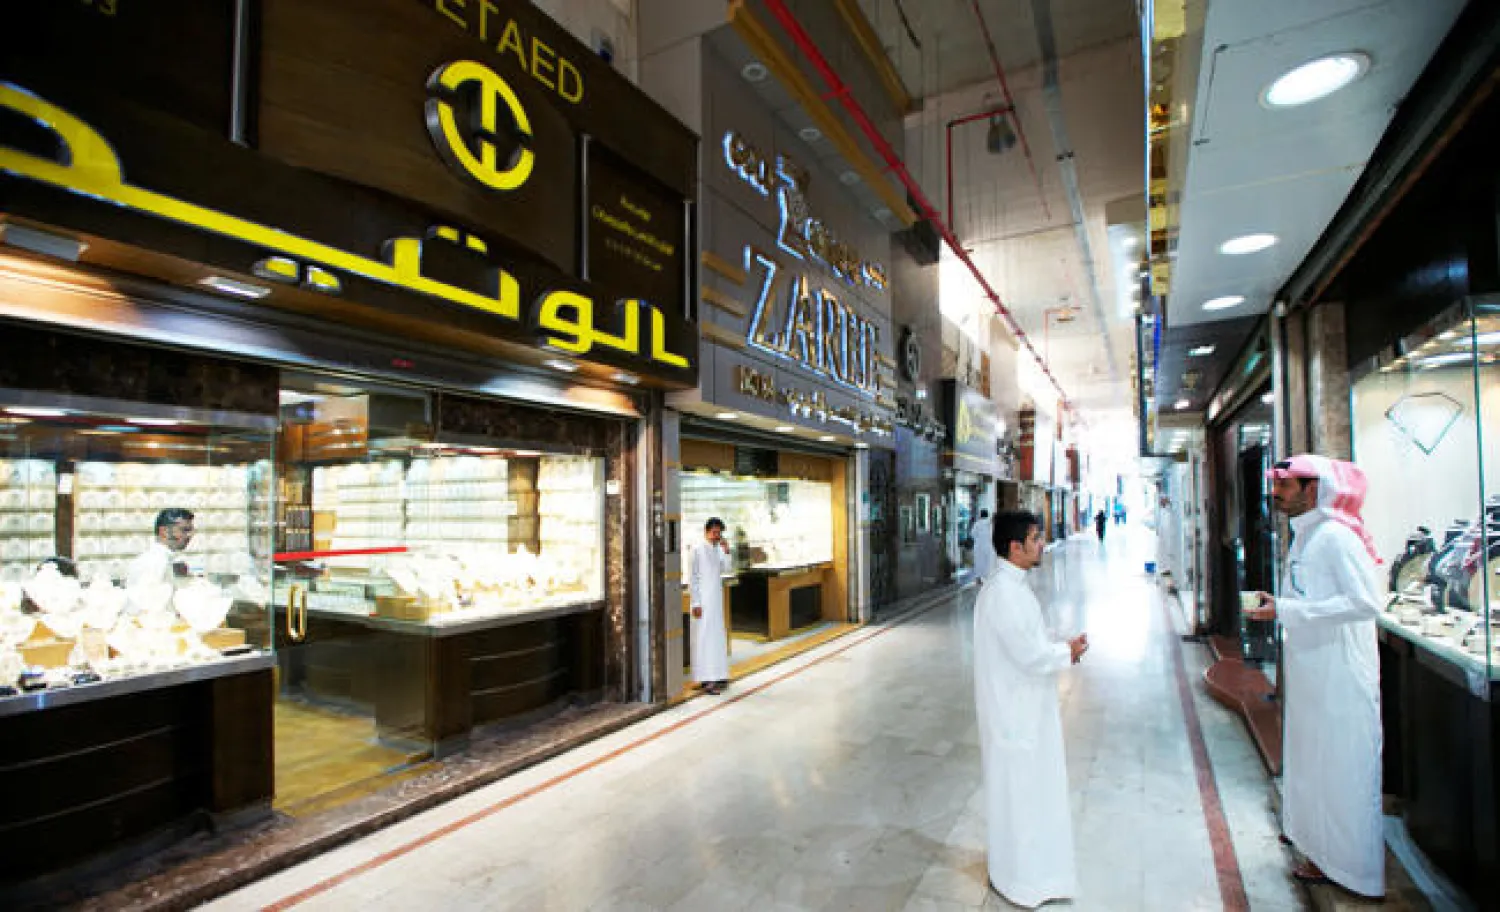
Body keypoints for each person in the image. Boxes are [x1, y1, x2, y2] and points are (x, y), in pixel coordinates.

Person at [1245, 455, 1383, 897]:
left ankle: (1353, 868)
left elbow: (1366, 604)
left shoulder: (1337, 538)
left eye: (1285, 486)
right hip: (1312, 675)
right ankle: (1314, 845)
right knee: (1313, 760)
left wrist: (1286, 610)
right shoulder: (1307, 537)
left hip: (1340, 676)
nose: (1276, 493)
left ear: (1312, 489)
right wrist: (1280, 605)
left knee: (1343, 767)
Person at [973, 510, 1089, 908]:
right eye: (1036, 538)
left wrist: (1058, 644)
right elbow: (1029, 654)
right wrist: (1066, 653)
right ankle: (1021, 882)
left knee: (1027, 796)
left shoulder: (1012, 588)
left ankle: (1031, 873)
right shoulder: (1003, 593)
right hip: (1013, 718)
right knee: (1020, 797)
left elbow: (1028, 640)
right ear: (1015, 547)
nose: (1041, 544)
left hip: (1022, 711)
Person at [689, 517, 732, 695]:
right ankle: (705, 679)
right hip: (703, 603)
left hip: (716, 601)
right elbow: (693, 578)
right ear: (706, 531)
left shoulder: (718, 549)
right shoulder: (697, 550)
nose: (717, 536)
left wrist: (727, 551)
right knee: (703, 641)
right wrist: (696, 602)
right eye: (714, 532)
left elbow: (726, 568)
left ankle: (717, 676)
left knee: (716, 639)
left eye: (719, 533)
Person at [127, 508, 195, 589]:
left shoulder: (166, 559)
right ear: (164, 531)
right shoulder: (153, 562)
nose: (190, 535)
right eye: (184, 530)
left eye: (191, 530)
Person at [970, 509, 995, 582]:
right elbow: (992, 534)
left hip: (978, 546)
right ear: (987, 515)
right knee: (988, 562)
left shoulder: (977, 524)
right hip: (988, 546)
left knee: (978, 562)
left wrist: (977, 538)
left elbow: (972, 534)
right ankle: (988, 577)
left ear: (980, 515)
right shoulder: (990, 524)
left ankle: (978, 578)